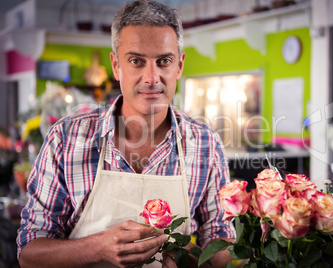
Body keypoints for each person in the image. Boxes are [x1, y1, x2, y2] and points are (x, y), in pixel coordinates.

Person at [16, 1, 236, 267]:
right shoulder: (64, 139)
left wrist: (193, 257)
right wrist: (97, 248)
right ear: (116, 65)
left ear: (179, 66)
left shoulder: (205, 144)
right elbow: (29, 253)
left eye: (164, 61)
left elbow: (221, 237)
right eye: (136, 61)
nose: (152, 77)